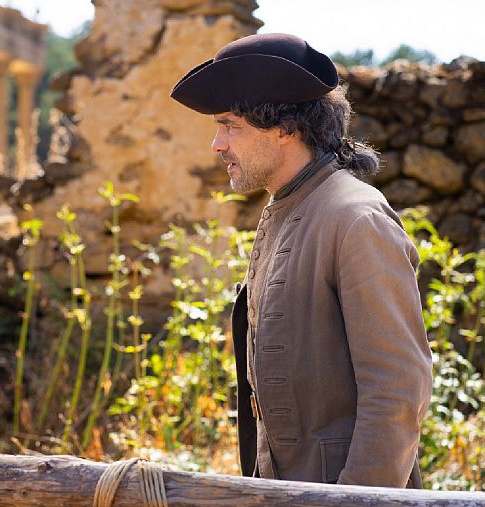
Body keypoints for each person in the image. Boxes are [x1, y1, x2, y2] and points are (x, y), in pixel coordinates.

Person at [170, 33, 432, 487]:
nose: (217, 143)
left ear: (285, 129)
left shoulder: (355, 218)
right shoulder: (289, 207)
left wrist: (356, 503)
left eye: (230, 125)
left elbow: (397, 392)